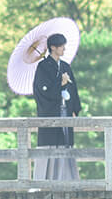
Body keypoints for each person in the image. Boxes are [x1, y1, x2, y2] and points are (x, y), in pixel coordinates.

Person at [32, 32, 81, 180]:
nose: (64, 49)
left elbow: (74, 89)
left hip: (65, 110)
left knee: (65, 142)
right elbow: (42, 90)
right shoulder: (43, 67)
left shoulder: (65, 66)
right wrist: (60, 83)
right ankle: (47, 180)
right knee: (51, 142)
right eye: (61, 46)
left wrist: (74, 109)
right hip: (51, 111)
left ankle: (67, 179)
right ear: (53, 47)